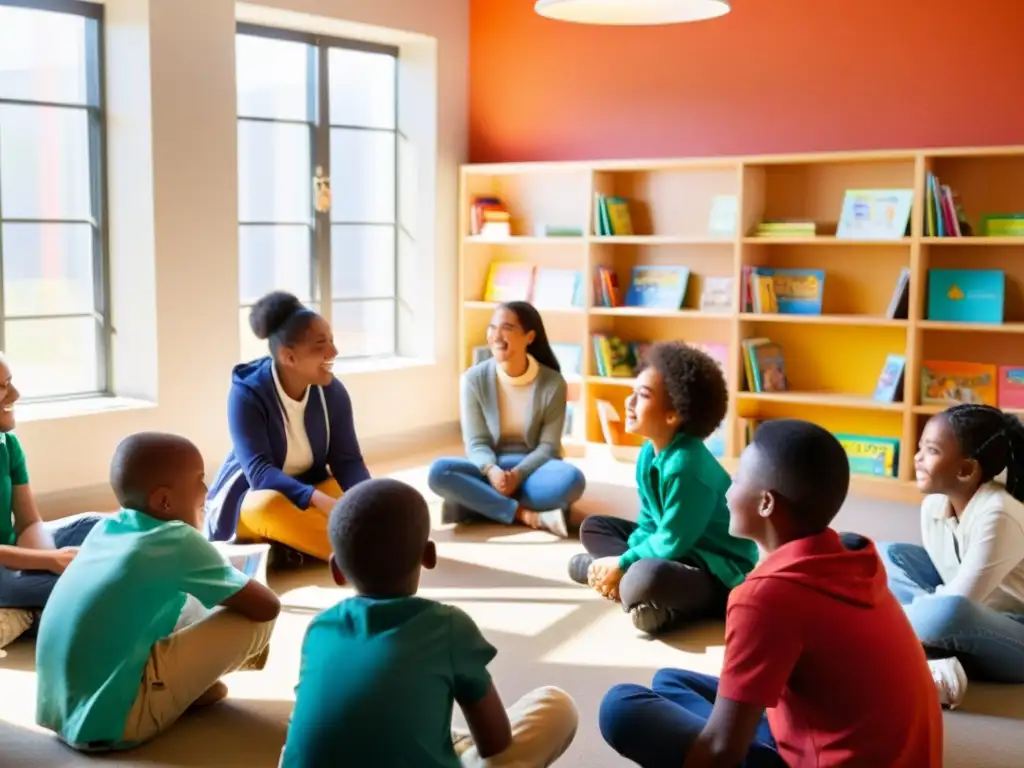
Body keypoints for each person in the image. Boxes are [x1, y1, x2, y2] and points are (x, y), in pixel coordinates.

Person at [598, 419, 943, 768]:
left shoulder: (765, 596)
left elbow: (721, 751)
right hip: (895, 754)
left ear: (766, 504)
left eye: (736, 483)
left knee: (620, 706)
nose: (728, 494)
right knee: (670, 681)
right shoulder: (851, 554)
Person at [280, 477, 578, 767]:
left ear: (337, 570)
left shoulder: (318, 628)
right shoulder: (449, 626)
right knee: (557, 708)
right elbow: (495, 742)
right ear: (429, 555)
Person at [35, 432, 280, 752]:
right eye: (200, 481)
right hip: (111, 723)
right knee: (254, 620)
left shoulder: (107, 528)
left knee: (182, 597)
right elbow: (267, 608)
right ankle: (170, 694)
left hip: (59, 711)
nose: (206, 492)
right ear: (165, 501)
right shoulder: (177, 540)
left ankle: (183, 687)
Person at [567, 342, 757, 634]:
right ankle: (626, 585)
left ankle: (620, 580)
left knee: (648, 575)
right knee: (594, 526)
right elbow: (649, 521)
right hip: (677, 549)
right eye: (633, 392)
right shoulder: (648, 453)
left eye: (642, 396)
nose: (629, 402)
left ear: (673, 415)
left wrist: (624, 561)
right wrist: (626, 556)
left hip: (715, 568)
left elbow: (672, 541)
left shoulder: (686, 467)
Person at [205, 291, 371, 565]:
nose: (334, 352)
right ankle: (366, 555)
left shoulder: (332, 391)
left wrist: (372, 501)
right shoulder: (247, 394)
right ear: (289, 357)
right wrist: (317, 499)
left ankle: (302, 546)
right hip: (252, 499)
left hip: (307, 485)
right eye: (321, 344)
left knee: (356, 498)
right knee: (269, 506)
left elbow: (348, 461)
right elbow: (259, 473)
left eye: (331, 340)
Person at [877, 403, 1024, 709]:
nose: (917, 458)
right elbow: (950, 582)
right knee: (887, 553)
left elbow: (956, 605)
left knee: (946, 613)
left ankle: (893, 630)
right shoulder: (933, 505)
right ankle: (933, 651)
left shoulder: (1000, 514)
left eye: (931, 450)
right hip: (971, 608)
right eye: (920, 447)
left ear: (967, 470)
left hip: (1014, 630)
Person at [428, 302, 585, 538]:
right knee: (439, 472)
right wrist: (492, 472)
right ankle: (523, 513)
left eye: (507, 328)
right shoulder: (474, 379)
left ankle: (475, 502)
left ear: (529, 337)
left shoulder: (553, 383)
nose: (496, 336)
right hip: (489, 467)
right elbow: (477, 443)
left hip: (535, 468)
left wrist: (518, 475)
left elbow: (548, 447)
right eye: (492, 327)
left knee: (572, 480)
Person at [0, 353, 102, 651]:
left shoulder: (8, 445)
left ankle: (34, 611)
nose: (16, 394)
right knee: (80, 582)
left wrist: (48, 562)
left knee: (96, 523)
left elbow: (29, 521)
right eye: (3, 386)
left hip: (14, 554)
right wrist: (50, 562)